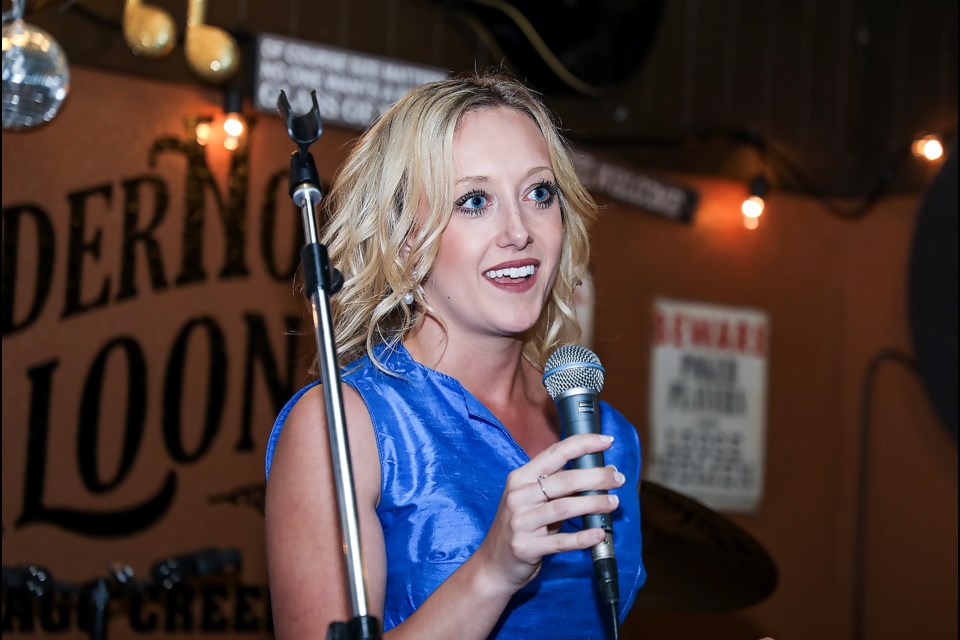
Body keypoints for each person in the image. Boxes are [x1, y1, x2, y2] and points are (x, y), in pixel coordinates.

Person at [264, 70, 646, 639]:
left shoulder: (605, 433)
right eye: (474, 201)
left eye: (539, 193)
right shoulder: (342, 429)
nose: (519, 231)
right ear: (404, 236)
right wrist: (491, 573)